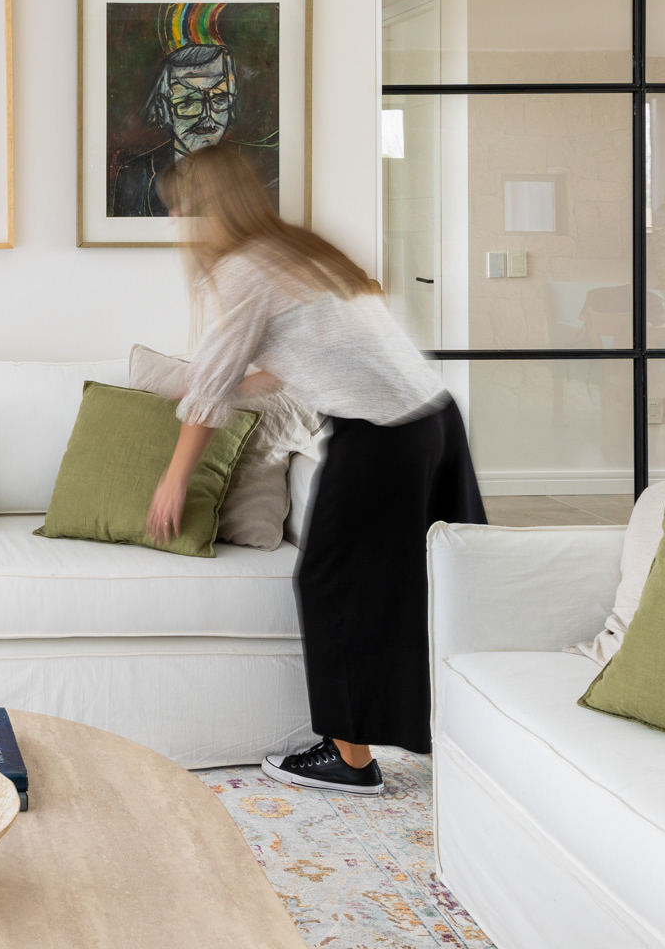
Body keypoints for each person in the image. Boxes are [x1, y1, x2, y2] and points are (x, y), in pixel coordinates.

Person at [146, 145, 486, 794]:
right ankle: (467, 731)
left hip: (383, 436)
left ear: (211, 205)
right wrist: (222, 383)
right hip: (435, 422)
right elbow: (300, 360)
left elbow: (210, 394)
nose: (176, 221)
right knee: (437, 584)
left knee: (332, 584)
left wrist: (175, 478)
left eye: (182, 207)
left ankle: (350, 760)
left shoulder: (243, 269)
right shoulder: (295, 252)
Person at [108, 42, 276, 217]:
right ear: (163, 109)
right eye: (188, 102)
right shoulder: (135, 175)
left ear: (232, 105)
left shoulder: (260, 165)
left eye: (220, 98)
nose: (207, 115)